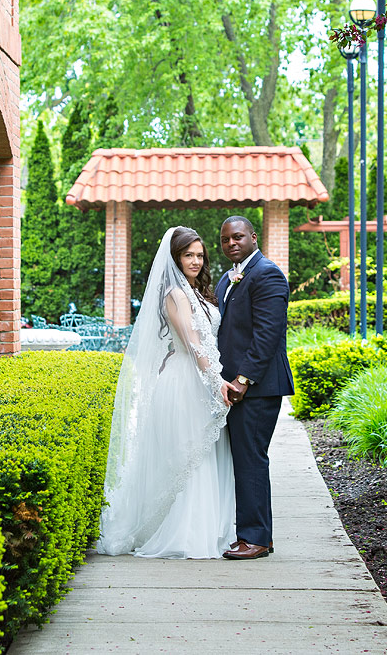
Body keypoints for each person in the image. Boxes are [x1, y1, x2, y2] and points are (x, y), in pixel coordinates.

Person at [95, 227, 236, 559]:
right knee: (189, 456)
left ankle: (208, 530)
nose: (196, 261)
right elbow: (193, 342)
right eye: (189, 255)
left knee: (201, 455)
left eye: (200, 255)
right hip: (185, 382)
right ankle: (187, 536)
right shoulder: (175, 293)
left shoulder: (199, 293)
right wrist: (217, 380)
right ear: (175, 258)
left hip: (198, 378)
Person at [215, 216, 294, 561]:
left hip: (256, 388)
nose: (231, 243)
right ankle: (254, 533)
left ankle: (256, 538)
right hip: (230, 386)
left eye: (238, 237)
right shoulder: (226, 279)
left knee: (251, 461)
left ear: (253, 237)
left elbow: (267, 334)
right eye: (225, 239)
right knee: (242, 460)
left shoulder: (268, 273)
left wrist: (243, 380)